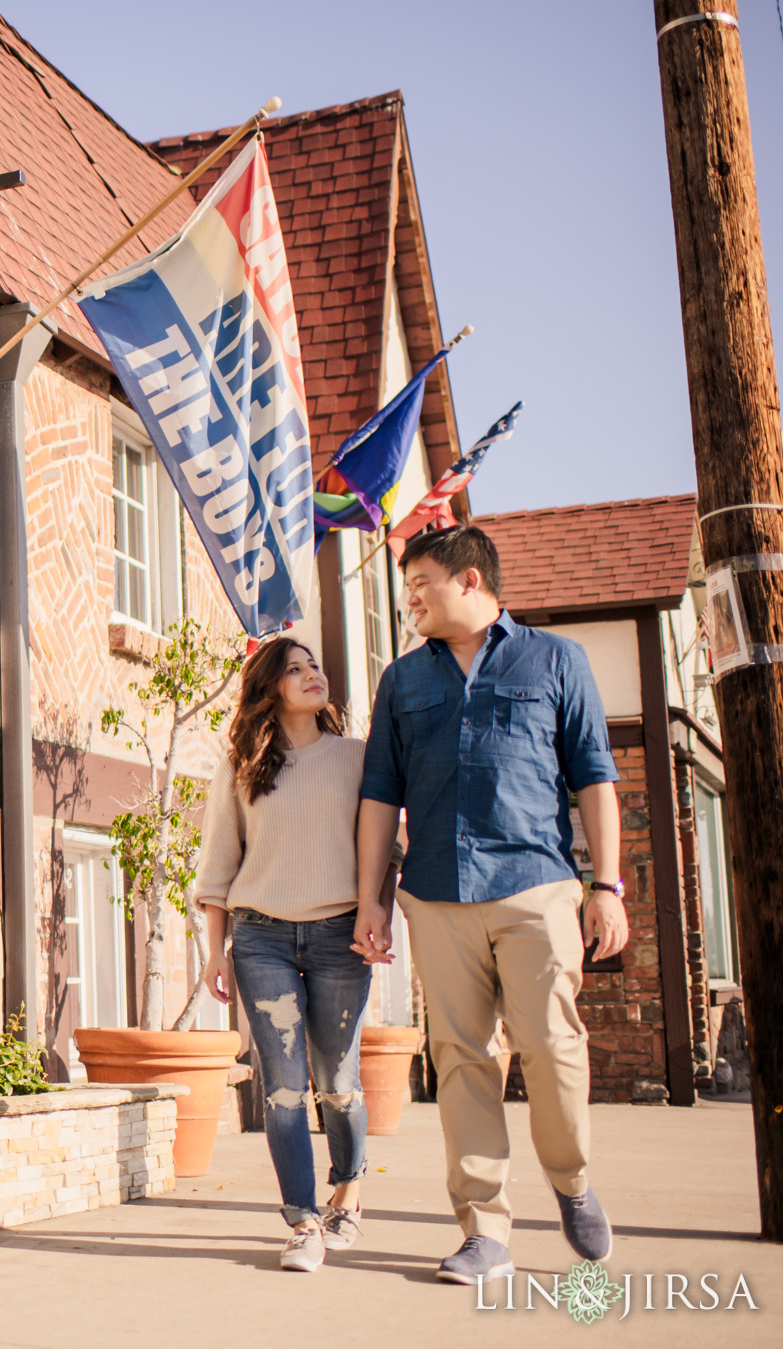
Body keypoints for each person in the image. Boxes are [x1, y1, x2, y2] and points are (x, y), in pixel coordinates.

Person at [352, 524, 628, 1284]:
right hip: (436, 894)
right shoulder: (402, 681)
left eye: (421, 583)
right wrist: (370, 900)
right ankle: (485, 1229)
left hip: (537, 884)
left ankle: (570, 1179)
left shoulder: (556, 660)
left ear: (470, 581)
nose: (410, 597)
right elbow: (380, 796)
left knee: (552, 1046)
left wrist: (606, 885)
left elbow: (595, 777)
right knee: (461, 1060)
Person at [196, 637, 380, 1273]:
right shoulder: (242, 765)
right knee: (281, 1089)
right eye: (295, 669)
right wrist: (214, 951)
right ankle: (302, 1221)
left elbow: (386, 845)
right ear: (271, 687)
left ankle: (348, 1193)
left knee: (339, 1084)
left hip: (339, 937)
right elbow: (219, 864)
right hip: (261, 938)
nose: (312, 675)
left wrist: (375, 914)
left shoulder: (357, 758)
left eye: (316, 666)